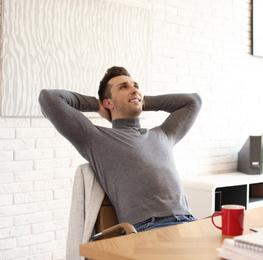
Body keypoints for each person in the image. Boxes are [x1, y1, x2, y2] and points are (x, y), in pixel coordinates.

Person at [39, 66, 202, 232]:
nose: (134, 89)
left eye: (136, 86)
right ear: (108, 102)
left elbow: (193, 101)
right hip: (147, 228)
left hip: (189, 221)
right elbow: (49, 98)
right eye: (124, 87)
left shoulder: (164, 133)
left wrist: (141, 100)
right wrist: (98, 105)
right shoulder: (96, 138)